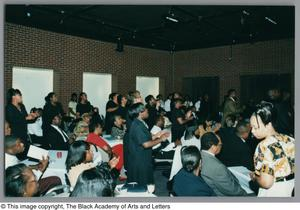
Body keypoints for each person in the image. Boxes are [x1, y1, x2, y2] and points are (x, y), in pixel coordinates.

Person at [249, 102, 295, 197]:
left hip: (275, 191)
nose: (252, 131)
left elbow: (266, 183)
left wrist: (254, 177)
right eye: (251, 127)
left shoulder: (264, 146)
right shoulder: (291, 139)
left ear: (268, 125)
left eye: (256, 127)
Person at [127, 103, 170, 186]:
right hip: (140, 160)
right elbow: (146, 144)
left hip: (142, 158)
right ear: (140, 112)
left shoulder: (139, 122)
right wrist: (161, 139)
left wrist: (157, 135)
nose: (147, 111)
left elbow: (147, 136)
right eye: (145, 109)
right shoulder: (138, 126)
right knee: (142, 185)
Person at [123, 90, 143, 171]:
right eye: (139, 97)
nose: (141, 98)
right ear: (135, 99)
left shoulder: (135, 109)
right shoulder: (131, 110)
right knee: (131, 158)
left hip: (134, 135)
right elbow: (132, 126)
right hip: (131, 136)